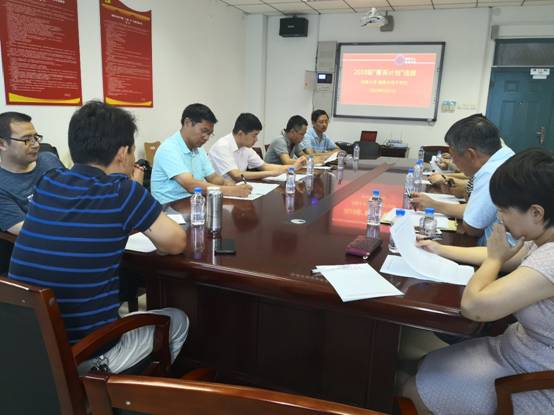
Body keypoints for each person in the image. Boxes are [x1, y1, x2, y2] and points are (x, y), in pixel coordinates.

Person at [8, 101, 189, 374]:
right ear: (122, 153)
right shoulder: (121, 191)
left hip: (31, 349)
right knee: (177, 319)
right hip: (85, 356)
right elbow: (176, 242)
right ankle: (127, 393)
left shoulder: (49, 181)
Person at [403, 149, 554, 415]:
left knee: (411, 391)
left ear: (536, 212)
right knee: (423, 364)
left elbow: (474, 306)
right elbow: (505, 255)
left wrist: (494, 259)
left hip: (535, 380)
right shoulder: (542, 237)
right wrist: (439, 249)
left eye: (504, 210)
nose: (500, 218)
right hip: (517, 351)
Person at [411, 114, 514, 244]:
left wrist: (434, 205)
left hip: (491, 250)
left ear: (470, 154)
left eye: (454, 157)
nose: (453, 162)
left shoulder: (491, 172)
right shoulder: (505, 154)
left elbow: (472, 228)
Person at [151, 103, 251, 204]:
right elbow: (190, 185)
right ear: (187, 123)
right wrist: (232, 191)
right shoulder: (168, 148)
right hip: (170, 207)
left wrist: (232, 185)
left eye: (210, 134)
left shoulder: (198, 149)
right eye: (204, 131)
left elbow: (213, 178)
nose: (206, 137)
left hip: (194, 203)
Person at [0, 112, 64, 235]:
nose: (36, 145)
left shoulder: (49, 159)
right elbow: (23, 229)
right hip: (48, 240)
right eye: (27, 140)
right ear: (2, 144)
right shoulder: (2, 185)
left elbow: (76, 195)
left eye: (36, 137)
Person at [208, 113, 302, 181]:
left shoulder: (245, 147)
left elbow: (265, 166)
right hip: (220, 193)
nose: (256, 139)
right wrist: (270, 173)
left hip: (237, 189)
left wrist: (292, 167)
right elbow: (236, 175)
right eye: (254, 135)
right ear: (241, 133)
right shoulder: (222, 146)